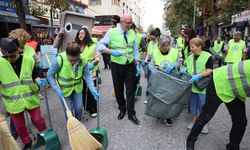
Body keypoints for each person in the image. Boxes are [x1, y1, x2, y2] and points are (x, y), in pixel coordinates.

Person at [186, 60, 250, 150]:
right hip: (219, 82)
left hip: (235, 91)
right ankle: (190, 140)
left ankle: (233, 147)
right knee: (205, 116)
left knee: (240, 121)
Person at [0, 38, 47, 149]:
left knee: (38, 120)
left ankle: (45, 137)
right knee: (19, 126)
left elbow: (35, 75)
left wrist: (39, 80)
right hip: (13, 102)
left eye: (13, 55)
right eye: (7, 56)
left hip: (30, 98)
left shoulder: (28, 60)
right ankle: (27, 142)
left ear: (18, 51)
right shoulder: (1, 64)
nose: (10, 59)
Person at [97, 14, 140, 125]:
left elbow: (135, 50)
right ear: (121, 22)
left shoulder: (132, 33)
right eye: (127, 23)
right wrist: (111, 51)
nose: (130, 25)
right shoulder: (111, 32)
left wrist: (138, 65)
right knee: (118, 90)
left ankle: (131, 113)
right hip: (117, 66)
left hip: (130, 65)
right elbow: (100, 46)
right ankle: (122, 108)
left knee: (130, 90)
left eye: (131, 23)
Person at [47, 42, 100, 121]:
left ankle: (79, 124)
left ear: (79, 55)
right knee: (69, 110)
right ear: (67, 54)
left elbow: (87, 75)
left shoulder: (83, 60)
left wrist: (92, 89)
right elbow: (50, 75)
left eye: (75, 60)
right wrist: (56, 88)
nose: (73, 62)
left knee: (79, 108)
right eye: (71, 60)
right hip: (63, 90)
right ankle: (72, 128)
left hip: (77, 88)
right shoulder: (59, 59)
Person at [183, 37, 213, 134]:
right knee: (193, 105)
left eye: (193, 47)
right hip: (192, 86)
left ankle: (204, 124)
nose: (191, 49)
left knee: (203, 106)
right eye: (190, 47)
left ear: (199, 46)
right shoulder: (190, 56)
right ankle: (194, 121)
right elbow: (185, 66)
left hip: (203, 86)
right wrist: (183, 69)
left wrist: (199, 75)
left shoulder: (207, 56)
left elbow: (210, 70)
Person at [154, 35, 180, 126]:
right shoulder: (156, 52)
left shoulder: (175, 52)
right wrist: (152, 67)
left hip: (171, 78)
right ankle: (160, 113)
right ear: (159, 45)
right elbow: (152, 63)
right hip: (159, 78)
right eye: (163, 46)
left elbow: (179, 62)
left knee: (169, 98)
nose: (165, 48)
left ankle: (168, 116)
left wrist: (174, 65)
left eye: (167, 45)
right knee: (160, 97)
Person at [75, 26, 100, 118]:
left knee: (90, 90)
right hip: (78, 72)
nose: (80, 35)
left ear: (86, 35)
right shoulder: (76, 46)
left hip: (90, 72)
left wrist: (92, 63)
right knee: (82, 90)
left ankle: (93, 109)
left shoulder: (93, 46)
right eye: (79, 34)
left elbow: (97, 58)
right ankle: (86, 107)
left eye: (82, 33)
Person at [143, 28, 161, 104]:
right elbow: (148, 54)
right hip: (150, 65)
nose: (151, 37)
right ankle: (148, 98)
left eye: (152, 36)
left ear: (157, 36)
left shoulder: (161, 43)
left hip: (158, 66)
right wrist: (145, 61)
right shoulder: (150, 43)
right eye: (150, 36)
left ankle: (157, 98)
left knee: (157, 83)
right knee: (149, 82)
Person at [130, 23, 147, 99]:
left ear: (134, 29)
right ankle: (129, 92)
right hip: (126, 60)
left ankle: (134, 92)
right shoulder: (124, 35)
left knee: (136, 77)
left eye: (130, 29)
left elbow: (144, 50)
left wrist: (142, 60)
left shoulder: (140, 37)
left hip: (137, 61)